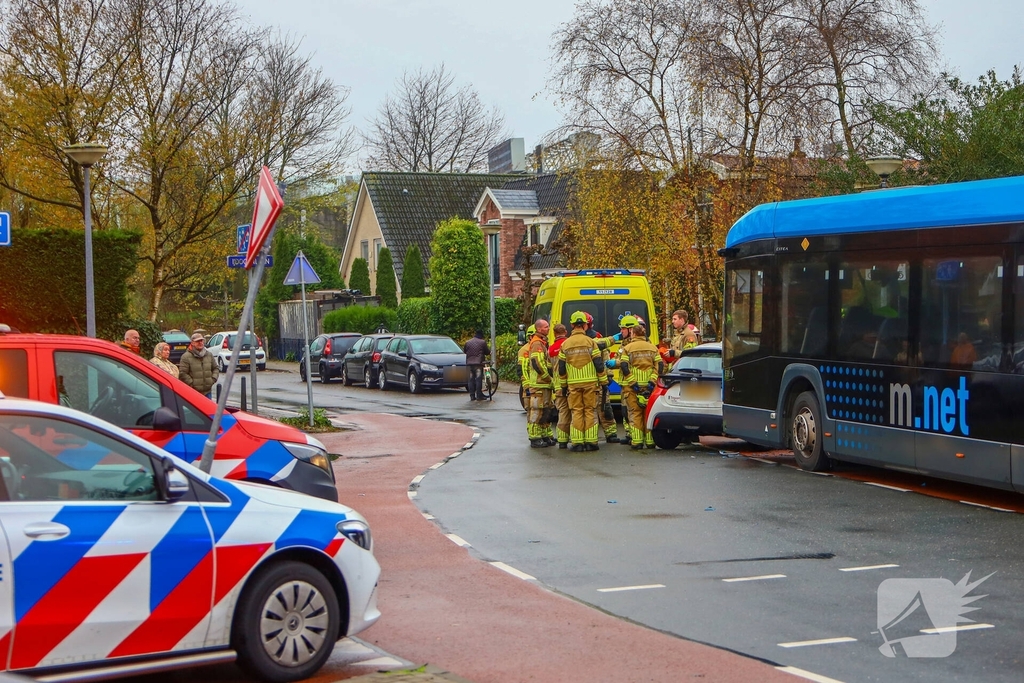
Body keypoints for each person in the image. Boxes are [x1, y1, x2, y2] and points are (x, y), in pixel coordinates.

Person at [558, 311, 606, 452]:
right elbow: (598, 364)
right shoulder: (591, 342)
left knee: (577, 411)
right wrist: (603, 382)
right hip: (591, 383)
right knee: (590, 411)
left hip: (573, 384)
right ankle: (591, 442)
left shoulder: (565, 344)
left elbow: (561, 368)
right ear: (585, 325)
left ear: (572, 325)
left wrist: (563, 385)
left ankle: (578, 443)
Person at [618, 316, 664, 449]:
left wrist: (633, 383)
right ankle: (650, 442)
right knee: (648, 414)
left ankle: (637, 442)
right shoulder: (652, 348)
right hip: (650, 386)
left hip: (633, 387)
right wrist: (652, 382)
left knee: (635, 413)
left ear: (633, 333)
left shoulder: (628, 348)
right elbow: (659, 365)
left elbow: (624, 366)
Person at [585, 312, 620, 444]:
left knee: (605, 407)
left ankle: (610, 434)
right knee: (590, 410)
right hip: (588, 380)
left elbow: (605, 356)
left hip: (599, 379)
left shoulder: (597, 337)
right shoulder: (578, 339)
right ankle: (590, 437)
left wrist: (609, 374)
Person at [527, 319, 555, 448]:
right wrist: (548, 378)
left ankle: (544, 435)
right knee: (537, 411)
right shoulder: (537, 343)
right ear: (539, 329)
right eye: (546, 327)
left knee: (545, 411)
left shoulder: (543, 342)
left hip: (544, 384)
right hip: (539, 383)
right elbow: (537, 363)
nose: (548, 328)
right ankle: (535, 438)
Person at [548, 323, 571, 448]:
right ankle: (576, 438)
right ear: (565, 332)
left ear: (554, 333)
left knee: (563, 413)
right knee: (575, 412)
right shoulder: (569, 345)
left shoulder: (551, 349)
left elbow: (549, 369)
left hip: (558, 386)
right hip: (570, 384)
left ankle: (562, 440)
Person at [179, 332, 219, 398]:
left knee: (208, 408)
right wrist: (192, 384)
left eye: (201, 340)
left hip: (207, 392)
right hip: (193, 393)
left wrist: (213, 379)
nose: (200, 343)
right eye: (198, 341)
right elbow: (183, 373)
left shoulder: (209, 355)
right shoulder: (186, 357)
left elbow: (216, 368)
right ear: (192, 343)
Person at [464, 329, 489, 400]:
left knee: (471, 380)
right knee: (478, 379)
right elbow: (486, 351)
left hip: (469, 364)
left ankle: (472, 396)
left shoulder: (468, 342)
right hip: (478, 364)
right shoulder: (482, 342)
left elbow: (465, 351)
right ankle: (479, 395)